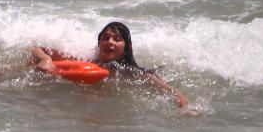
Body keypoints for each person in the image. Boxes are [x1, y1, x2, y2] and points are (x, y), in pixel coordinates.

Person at [31, 21, 189, 108]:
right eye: (105, 38)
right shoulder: (85, 62)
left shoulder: (133, 74)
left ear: (127, 47)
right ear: (99, 44)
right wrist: (46, 60)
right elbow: (36, 48)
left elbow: (172, 92)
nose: (109, 42)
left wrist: (185, 108)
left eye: (117, 39)